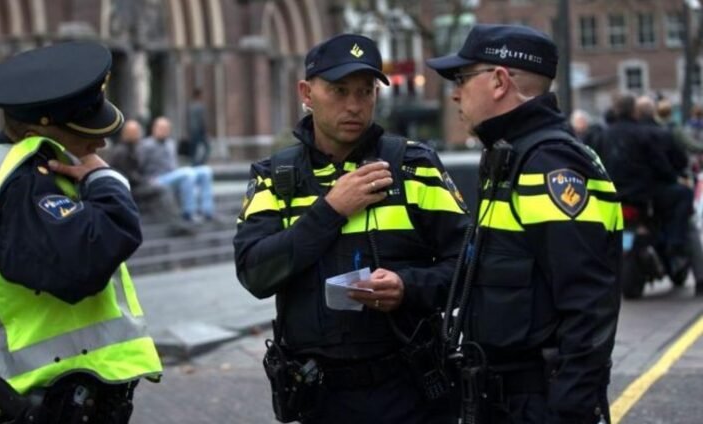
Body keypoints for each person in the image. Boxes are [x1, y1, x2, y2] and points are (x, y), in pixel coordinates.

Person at [234, 33, 470, 423]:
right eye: (339, 91)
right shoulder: (274, 179)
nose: (354, 106)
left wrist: (408, 287)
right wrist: (331, 210)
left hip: (411, 392)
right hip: (321, 399)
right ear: (307, 93)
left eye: (365, 92)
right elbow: (255, 274)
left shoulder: (415, 167)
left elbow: (468, 263)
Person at [0, 41, 163, 424]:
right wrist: (104, 178)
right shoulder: (25, 185)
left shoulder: (4, 172)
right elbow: (94, 252)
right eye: (87, 133)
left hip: (39, 398)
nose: (101, 143)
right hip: (31, 404)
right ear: (39, 131)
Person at [427, 24, 622, 423]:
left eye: (463, 78)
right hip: (502, 396)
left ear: (499, 81)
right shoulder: (511, 156)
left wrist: (569, 408)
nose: (455, 92)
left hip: (537, 402)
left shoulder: (549, 163)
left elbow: (588, 300)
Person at [604, 94, 693, 276]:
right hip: (643, 195)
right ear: (634, 111)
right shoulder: (644, 134)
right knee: (684, 194)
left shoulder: (602, 134)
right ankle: (675, 245)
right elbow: (660, 165)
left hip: (611, 196)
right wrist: (673, 178)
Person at [110, 119, 189, 228]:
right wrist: (146, 181)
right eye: (136, 132)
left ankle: (179, 219)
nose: (139, 134)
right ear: (127, 133)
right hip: (128, 189)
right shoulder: (122, 151)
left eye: (138, 131)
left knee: (162, 187)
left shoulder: (133, 148)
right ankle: (177, 224)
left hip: (135, 185)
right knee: (161, 188)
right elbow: (128, 176)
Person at [140, 116, 216, 222]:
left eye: (166, 128)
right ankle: (189, 212)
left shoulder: (170, 143)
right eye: (161, 128)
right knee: (187, 173)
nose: (164, 131)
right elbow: (139, 166)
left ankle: (207, 211)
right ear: (154, 128)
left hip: (172, 175)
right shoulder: (146, 145)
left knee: (206, 171)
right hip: (156, 178)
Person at [185, 88, 211, 165]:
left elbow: (187, 120)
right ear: (199, 95)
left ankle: (193, 163)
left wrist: (187, 131)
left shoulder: (190, 106)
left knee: (193, 149)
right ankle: (200, 163)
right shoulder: (200, 106)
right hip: (199, 131)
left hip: (192, 130)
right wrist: (206, 131)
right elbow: (202, 120)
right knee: (207, 147)